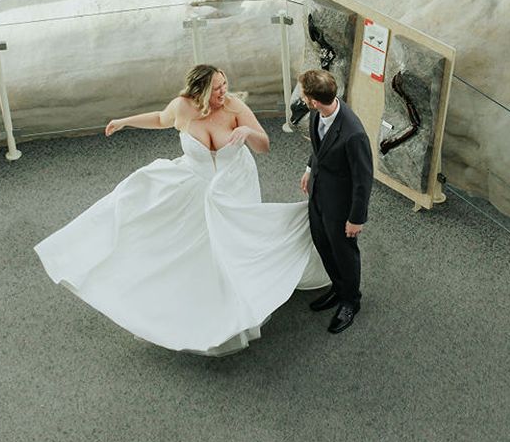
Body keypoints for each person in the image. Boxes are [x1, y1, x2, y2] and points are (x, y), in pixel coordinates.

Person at [35, 65, 327, 357]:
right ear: (199, 91)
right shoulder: (182, 107)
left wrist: (247, 130)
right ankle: (193, 305)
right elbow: (160, 119)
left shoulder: (235, 106)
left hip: (234, 186)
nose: (224, 91)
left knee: (234, 244)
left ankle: (239, 301)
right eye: (217, 88)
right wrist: (124, 121)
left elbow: (263, 146)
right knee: (187, 241)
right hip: (196, 184)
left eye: (225, 84)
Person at [299, 68, 374, 334]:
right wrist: (310, 169)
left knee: (344, 253)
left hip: (341, 208)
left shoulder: (353, 133)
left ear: (314, 100)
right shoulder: (316, 113)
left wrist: (356, 219)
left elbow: (364, 180)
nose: (303, 99)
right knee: (323, 244)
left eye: (305, 96)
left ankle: (351, 301)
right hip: (319, 196)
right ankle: (338, 287)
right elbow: (318, 147)